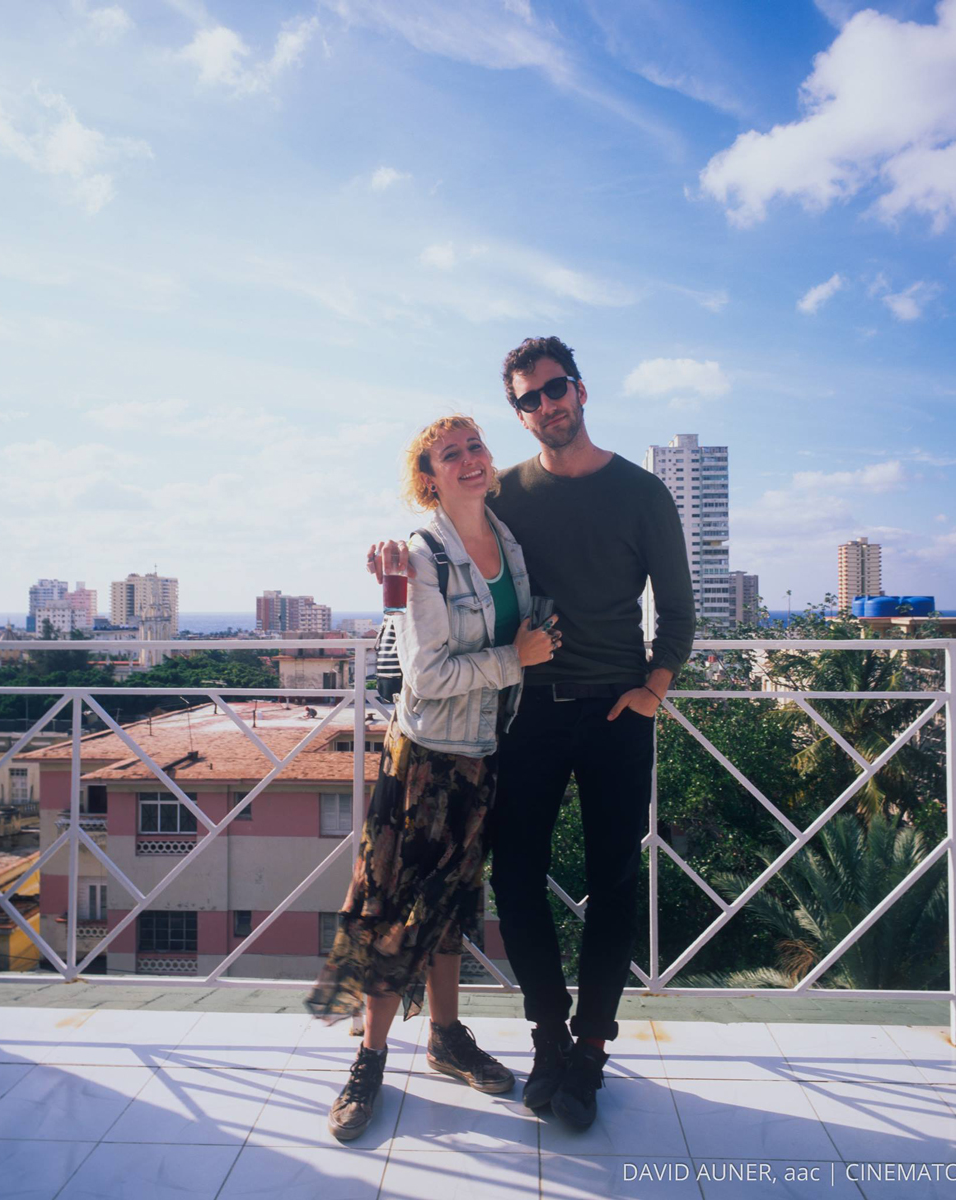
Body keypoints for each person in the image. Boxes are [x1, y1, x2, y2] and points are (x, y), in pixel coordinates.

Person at [370, 337, 695, 1131]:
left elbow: (680, 612)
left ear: (581, 392)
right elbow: (446, 536)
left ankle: (590, 1050)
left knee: (613, 884)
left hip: (621, 710)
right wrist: (389, 559)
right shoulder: (506, 492)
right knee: (517, 882)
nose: (545, 405)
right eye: (528, 398)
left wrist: (654, 686)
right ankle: (548, 1039)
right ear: (519, 412)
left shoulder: (643, 492)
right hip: (529, 711)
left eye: (556, 390)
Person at [308, 414, 561, 1143]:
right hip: (425, 762)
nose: (470, 461)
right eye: (450, 455)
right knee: (394, 914)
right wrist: (520, 659)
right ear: (428, 479)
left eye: (476, 447)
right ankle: (369, 1060)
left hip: (483, 755)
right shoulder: (424, 555)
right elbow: (424, 674)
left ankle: (445, 1038)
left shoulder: (505, 542)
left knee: (450, 908)